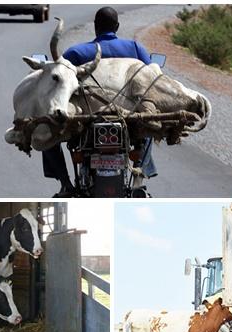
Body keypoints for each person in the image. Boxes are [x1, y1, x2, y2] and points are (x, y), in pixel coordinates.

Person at [42, 6, 157, 197]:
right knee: (149, 127)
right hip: (128, 121)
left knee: (47, 134)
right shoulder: (135, 49)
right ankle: (138, 178)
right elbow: (151, 79)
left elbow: (59, 82)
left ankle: (65, 183)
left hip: (86, 120)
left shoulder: (76, 53)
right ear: (117, 26)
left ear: (95, 27)